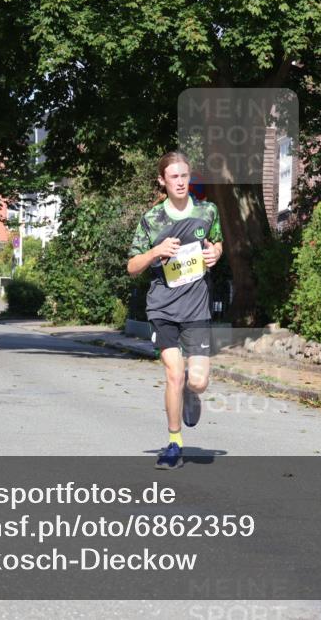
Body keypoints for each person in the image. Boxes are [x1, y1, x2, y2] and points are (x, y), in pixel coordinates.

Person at [127, 151, 223, 470]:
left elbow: (217, 243)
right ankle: (174, 444)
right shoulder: (152, 220)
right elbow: (132, 266)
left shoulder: (208, 211)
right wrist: (156, 250)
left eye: (184, 176)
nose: (180, 182)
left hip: (196, 307)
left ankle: (192, 396)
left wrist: (216, 254)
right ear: (162, 181)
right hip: (163, 307)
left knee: (197, 381)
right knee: (173, 374)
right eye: (174, 177)